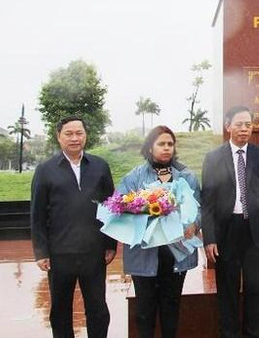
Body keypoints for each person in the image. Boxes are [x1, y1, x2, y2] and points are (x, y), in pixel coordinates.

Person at [30, 116, 117, 338]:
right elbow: (37, 214)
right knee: (60, 311)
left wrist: (110, 244)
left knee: (98, 309)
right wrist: (41, 252)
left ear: (86, 135)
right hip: (59, 253)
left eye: (79, 133)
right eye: (68, 134)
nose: (74, 138)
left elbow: (111, 206)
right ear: (59, 137)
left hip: (93, 251)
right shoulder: (45, 170)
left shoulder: (100, 166)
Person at [201, 106, 259, 338]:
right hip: (226, 233)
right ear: (228, 126)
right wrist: (209, 238)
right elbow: (207, 202)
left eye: (248, 124)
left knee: (256, 291)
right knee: (227, 292)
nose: (244, 129)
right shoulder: (213, 158)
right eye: (239, 124)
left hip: (257, 232)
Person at [118, 125, 201, 338]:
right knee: (145, 310)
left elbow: (200, 208)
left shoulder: (186, 176)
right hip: (144, 253)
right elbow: (119, 208)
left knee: (171, 305)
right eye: (161, 144)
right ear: (150, 148)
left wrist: (194, 224)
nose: (166, 148)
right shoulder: (134, 177)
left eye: (170, 144)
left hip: (176, 253)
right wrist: (143, 210)